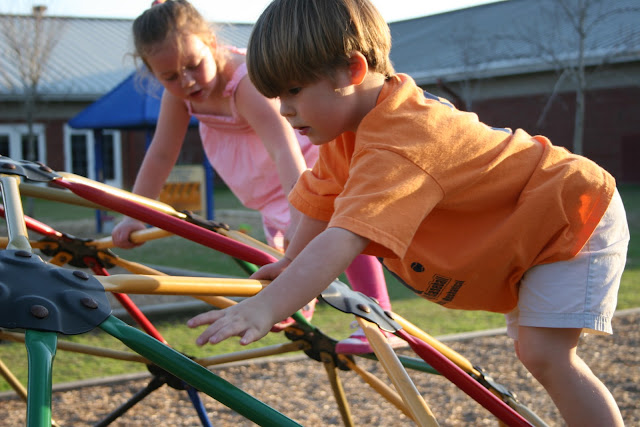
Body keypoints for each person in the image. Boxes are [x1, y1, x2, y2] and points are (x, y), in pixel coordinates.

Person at [186, 0, 629, 425]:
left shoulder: (399, 141)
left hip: (570, 214)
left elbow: (343, 237)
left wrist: (268, 306)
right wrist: (290, 266)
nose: (284, 109)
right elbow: (320, 204)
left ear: (353, 70)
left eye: (294, 91)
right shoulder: (347, 133)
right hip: (533, 227)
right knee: (535, 352)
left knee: (545, 354)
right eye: (278, 95)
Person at [111, 0, 401, 354]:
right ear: (153, 73)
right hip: (263, 182)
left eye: (193, 65)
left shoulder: (243, 83)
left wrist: (302, 209)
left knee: (340, 228)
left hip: (303, 168)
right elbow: (160, 154)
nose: (186, 80)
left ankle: (376, 317)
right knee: (277, 249)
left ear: (212, 43)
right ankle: (292, 302)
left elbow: (283, 148)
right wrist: (135, 213)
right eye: (169, 76)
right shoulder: (179, 97)